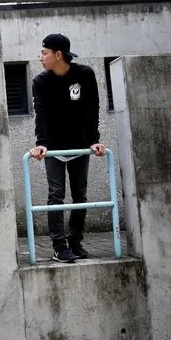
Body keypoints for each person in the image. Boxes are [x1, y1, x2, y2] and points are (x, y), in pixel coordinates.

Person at [28, 33, 106, 263]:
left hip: (80, 146)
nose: (40, 57)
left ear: (58, 55)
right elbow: (40, 114)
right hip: (53, 148)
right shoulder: (40, 82)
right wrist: (41, 144)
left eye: (44, 53)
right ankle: (59, 245)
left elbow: (92, 109)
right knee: (56, 194)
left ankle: (75, 241)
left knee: (80, 195)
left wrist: (94, 140)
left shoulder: (84, 74)